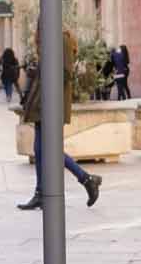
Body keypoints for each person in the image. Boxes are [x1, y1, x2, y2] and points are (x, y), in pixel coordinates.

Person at [18, 43, 101, 210]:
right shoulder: (49, 36)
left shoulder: (61, 39)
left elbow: (65, 73)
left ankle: (87, 179)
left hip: (49, 104)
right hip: (41, 104)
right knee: (40, 149)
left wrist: (44, 75)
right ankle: (41, 193)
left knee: (50, 150)